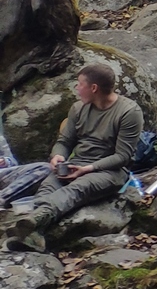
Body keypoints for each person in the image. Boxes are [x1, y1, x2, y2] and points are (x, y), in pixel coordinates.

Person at [0, 62, 143, 249]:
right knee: (48, 187)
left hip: (109, 171)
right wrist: (58, 156)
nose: (77, 88)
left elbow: (123, 156)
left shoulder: (129, 112)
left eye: (80, 84)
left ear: (94, 88)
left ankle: (35, 220)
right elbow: (64, 142)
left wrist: (88, 169)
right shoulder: (78, 108)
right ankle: (32, 235)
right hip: (76, 164)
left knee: (75, 189)